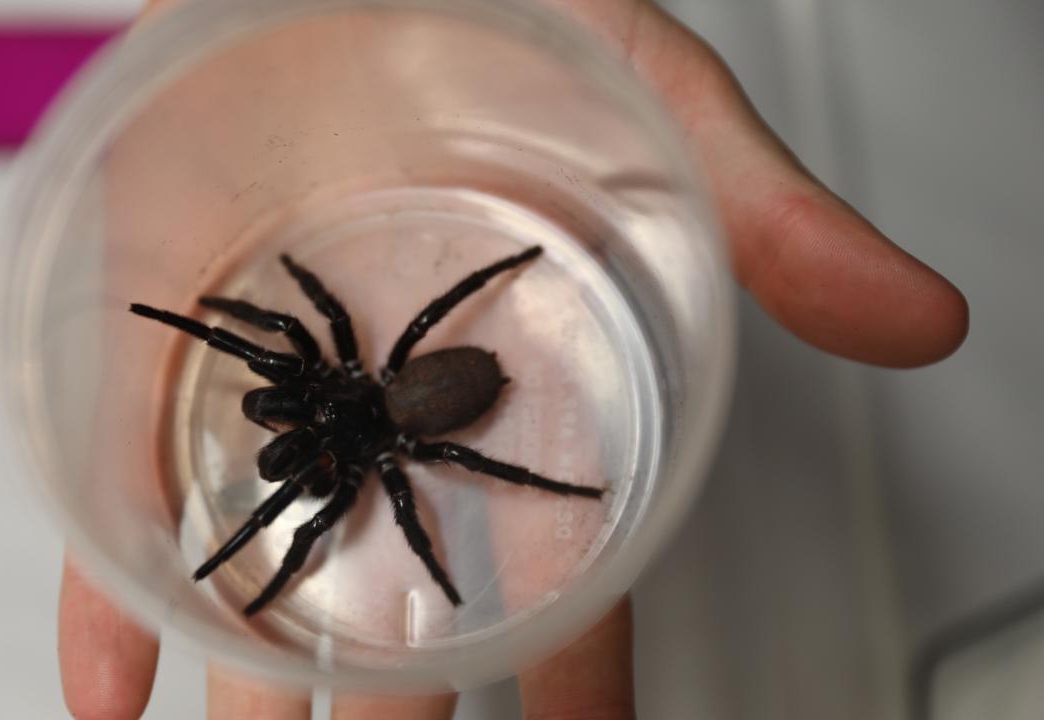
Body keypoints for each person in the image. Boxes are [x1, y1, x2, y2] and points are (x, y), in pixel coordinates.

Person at [58, 1, 970, 717]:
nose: (291, 414)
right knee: (342, 400)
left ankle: (556, 470)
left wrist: (241, 559)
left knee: (340, 437)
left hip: (430, 397)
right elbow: (308, 365)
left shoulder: (354, 442)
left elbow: (303, 489)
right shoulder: (349, 396)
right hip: (416, 398)